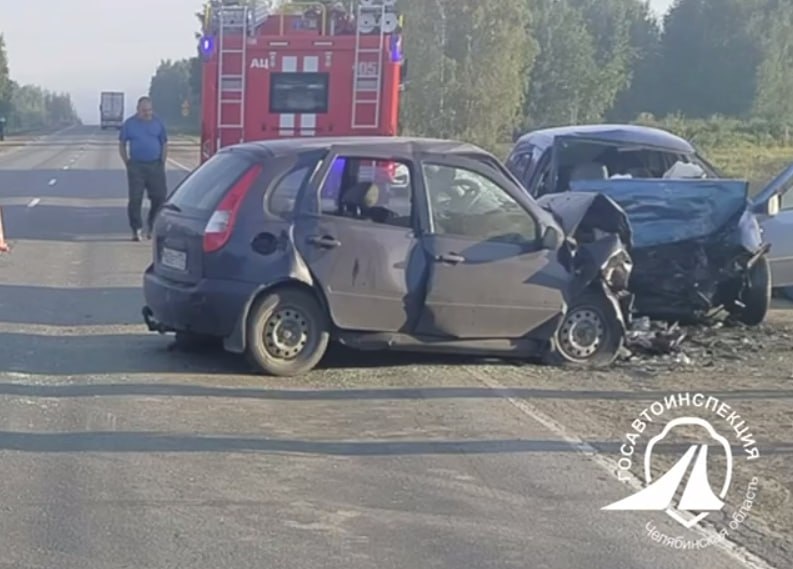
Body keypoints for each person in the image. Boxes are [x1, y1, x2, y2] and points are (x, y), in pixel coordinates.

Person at [118, 96, 168, 241]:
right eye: (144, 110)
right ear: (138, 110)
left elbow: (164, 142)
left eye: (149, 110)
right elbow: (122, 143)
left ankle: (152, 225)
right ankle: (136, 229)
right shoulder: (130, 124)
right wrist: (127, 162)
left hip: (155, 165)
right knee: (135, 199)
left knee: (159, 197)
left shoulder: (158, 123)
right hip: (136, 166)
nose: (147, 113)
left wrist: (162, 161)